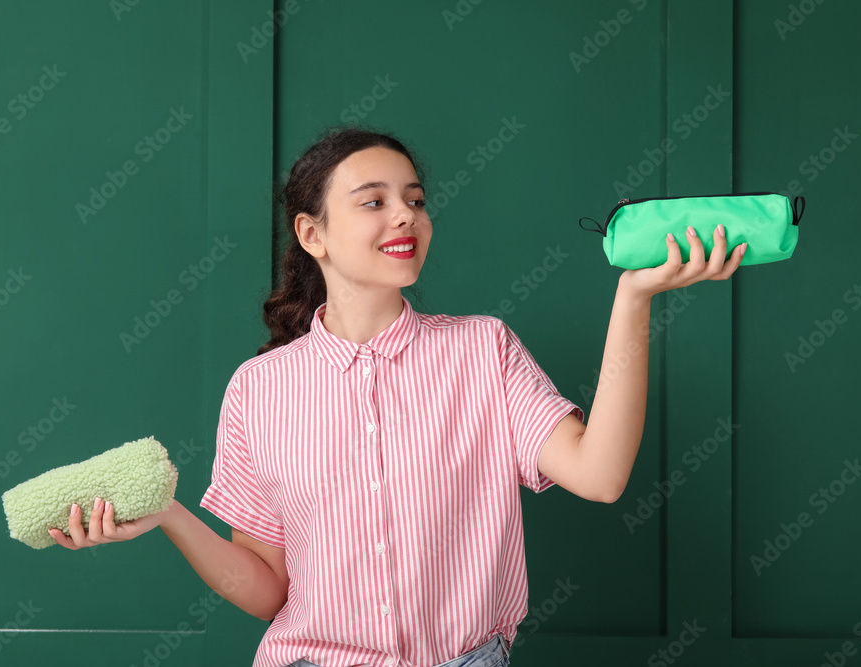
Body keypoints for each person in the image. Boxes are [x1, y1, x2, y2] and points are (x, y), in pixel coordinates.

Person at [48, 126, 746, 667]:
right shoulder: (259, 389)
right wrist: (168, 514)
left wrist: (633, 299)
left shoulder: (484, 350)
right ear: (312, 233)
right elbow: (268, 591)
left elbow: (600, 474)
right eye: (374, 202)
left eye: (414, 199)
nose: (405, 216)